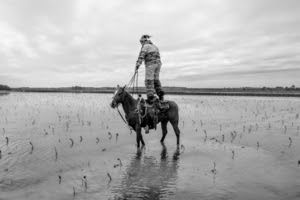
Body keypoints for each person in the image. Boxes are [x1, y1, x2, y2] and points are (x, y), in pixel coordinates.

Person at [135, 35, 165, 104]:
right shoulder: (155, 46)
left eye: (141, 42)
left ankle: (150, 97)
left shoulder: (145, 46)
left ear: (144, 41)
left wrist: (137, 65)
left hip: (151, 64)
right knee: (156, 80)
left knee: (149, 80)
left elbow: (141, 56)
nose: (141, 44)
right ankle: (161, 96)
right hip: (158, 64)